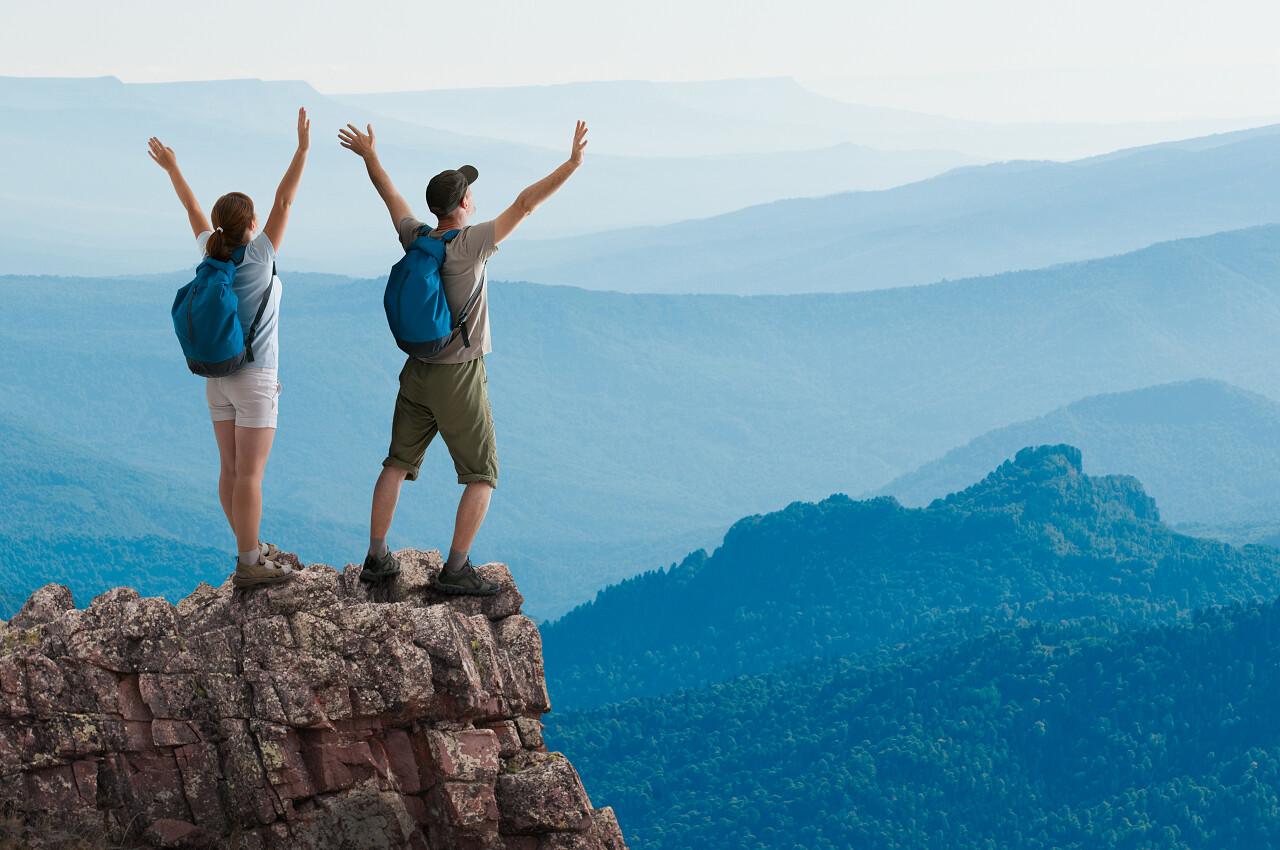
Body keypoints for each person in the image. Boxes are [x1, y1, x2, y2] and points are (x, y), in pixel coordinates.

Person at [338, 120, 589, 595]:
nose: (474, 196)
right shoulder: (472, 244)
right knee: (482, 475)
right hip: (459, 376)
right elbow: (525, 204)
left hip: (417, 371)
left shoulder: (418, 239)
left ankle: (376, 557)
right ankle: (455, 570)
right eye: (470, 192)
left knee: (396, 462)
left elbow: (390, 196)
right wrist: (572, 164)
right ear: (464, 204)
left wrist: (370, 156)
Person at [148, 108, 311, 588]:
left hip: (216, 379)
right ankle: (250, 561)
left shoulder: (210, 252)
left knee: (230, 471)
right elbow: (285, 199)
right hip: (256, 379)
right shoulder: (260, 254)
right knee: (251, 476)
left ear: (220, 228)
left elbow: (191, 209)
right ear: (252, 224)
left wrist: (173, 167)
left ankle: (248, 546)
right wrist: (302, 148)